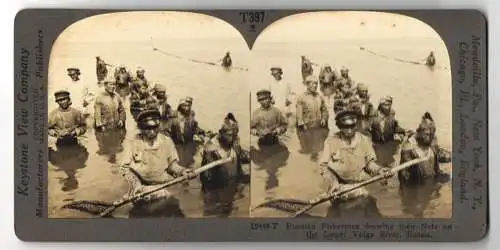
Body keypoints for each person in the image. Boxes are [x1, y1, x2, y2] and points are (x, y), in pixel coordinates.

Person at [119, 109, 197, 217]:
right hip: (141, 188)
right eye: (148, 129)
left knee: (173, 211)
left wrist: (183, 171)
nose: (152, 132)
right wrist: (136, 185)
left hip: (164, 185)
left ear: (158, 126)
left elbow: (172, 165)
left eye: (154, 128)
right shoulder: (132, 143)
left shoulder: (166, 141)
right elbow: (125, 169)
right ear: (141, 128)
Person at [318, 108, 393, 217]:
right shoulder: (331, 141)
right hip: (339, 186)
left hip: (360, 183)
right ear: (339, 126)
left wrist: (380, 171)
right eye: (345, 127)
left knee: (371, 211)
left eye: (352, 126)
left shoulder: (364, 140)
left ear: (356, 125)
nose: (349, 130)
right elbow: (323, 167)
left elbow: (370, 164)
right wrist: (333, 182)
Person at [199, 115, 246, 217]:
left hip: (231, 188)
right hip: (216, 195)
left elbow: (239, 173)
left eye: (234, 135)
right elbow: (207, 180)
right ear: (221, 134)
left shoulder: (235, 147)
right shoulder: (212, 151)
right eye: (229, 135)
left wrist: (239, 187)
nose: (232, 138)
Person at [398, 112, 451, 186]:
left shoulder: (432, 141)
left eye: (432, 134)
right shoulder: (409, 148)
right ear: (419, 132)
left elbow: (438, 153)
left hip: (433, 178)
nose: (430, 136)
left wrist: (449, 156)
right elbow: (404, 177)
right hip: (417, 184)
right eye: (427, 134)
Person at [368, 96, 410, 168]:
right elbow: (368, 131)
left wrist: (405, 131)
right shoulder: (373, 117)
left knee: (390, 169)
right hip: (376, 148)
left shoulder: (391, 119)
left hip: (388, 148)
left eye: (388, 105)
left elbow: (396, 128)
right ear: (380, 106)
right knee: (378, 168)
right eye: (385, 105)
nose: (387, 107)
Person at [94, 76, 127, 163]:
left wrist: (121, 119)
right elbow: (97, 114)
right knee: (105, 143)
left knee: (117, 142)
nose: (113, 86)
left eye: (114, 84)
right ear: (105, 85)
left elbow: (122, 110)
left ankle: (114, 153)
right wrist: (100, 126)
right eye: (111, 84)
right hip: (105, 127)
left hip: (116, 126)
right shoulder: (100, 97)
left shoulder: (117, 96)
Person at [296, 75, 329, 161]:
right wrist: (302, 125)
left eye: (316, 84)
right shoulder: (302, 97)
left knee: (319, 146)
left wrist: (324, 119)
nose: (314, 86)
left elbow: (324, 110)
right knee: (307, 148)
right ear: (307, 85)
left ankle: (316, 156)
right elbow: (299, 114)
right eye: (312, 84)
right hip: (307, 125)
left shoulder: (320, 96)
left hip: (318, 124)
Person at [168, 98, 205, 168]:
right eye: (185, 105)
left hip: (187, 146)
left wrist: (201, 134)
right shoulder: (173, 116)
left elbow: (195, 128)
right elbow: (167, 130)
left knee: (189, 165)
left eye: (189, 106)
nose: (187, 108)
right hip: (176, 145)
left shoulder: (191, 118)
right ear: (180, 106)